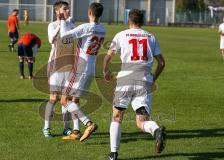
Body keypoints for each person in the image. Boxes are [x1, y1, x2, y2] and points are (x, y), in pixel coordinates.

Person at [103, 9, 166, 160]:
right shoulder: (151, 36)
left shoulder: (121, 35)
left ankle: (113, 154)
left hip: (125, 80)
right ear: (142, 21)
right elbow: (162, 63)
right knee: (141, 121)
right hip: (144, 81)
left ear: (129, 21)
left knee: (117, 116)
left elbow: (107, 58)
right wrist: (153, 78)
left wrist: (106, 72)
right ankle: (156, 130)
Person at [59, 2, 106, 142]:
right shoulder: (102, 29)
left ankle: (88, 123)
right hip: (91, 68)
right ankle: (76, 131)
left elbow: (64, 38)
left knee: (64, 100)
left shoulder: (86, 27)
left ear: (89, 13)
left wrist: (62, 20)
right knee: (75, 100)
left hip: (80, 67)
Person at [43, 1, 80, 139]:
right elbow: (51, 39)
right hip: (55, 66)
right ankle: (46, 127)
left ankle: (66, 128)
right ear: (57, 11)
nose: (68, 10)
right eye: (65, 9)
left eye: (68, 8)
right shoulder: (52, 25)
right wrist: (60, 24)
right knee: (54, 98)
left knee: (67, 98)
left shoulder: (71, 25)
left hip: (69, 66)